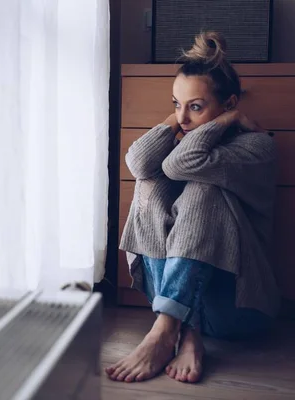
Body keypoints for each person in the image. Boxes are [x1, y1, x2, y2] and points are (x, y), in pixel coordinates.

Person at [106, 32, 280, 384]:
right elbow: (140, 164)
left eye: (195, 106)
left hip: (237, 309)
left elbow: (181, 164)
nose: (183, 119)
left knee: (204, 190)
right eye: (175, 104)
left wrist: (227, 121)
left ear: (229, 104)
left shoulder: (257, 148)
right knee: (149, 183)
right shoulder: (183, 132)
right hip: (181, 304)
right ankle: (183, 333)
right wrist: (178, 118)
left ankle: (164, 331)